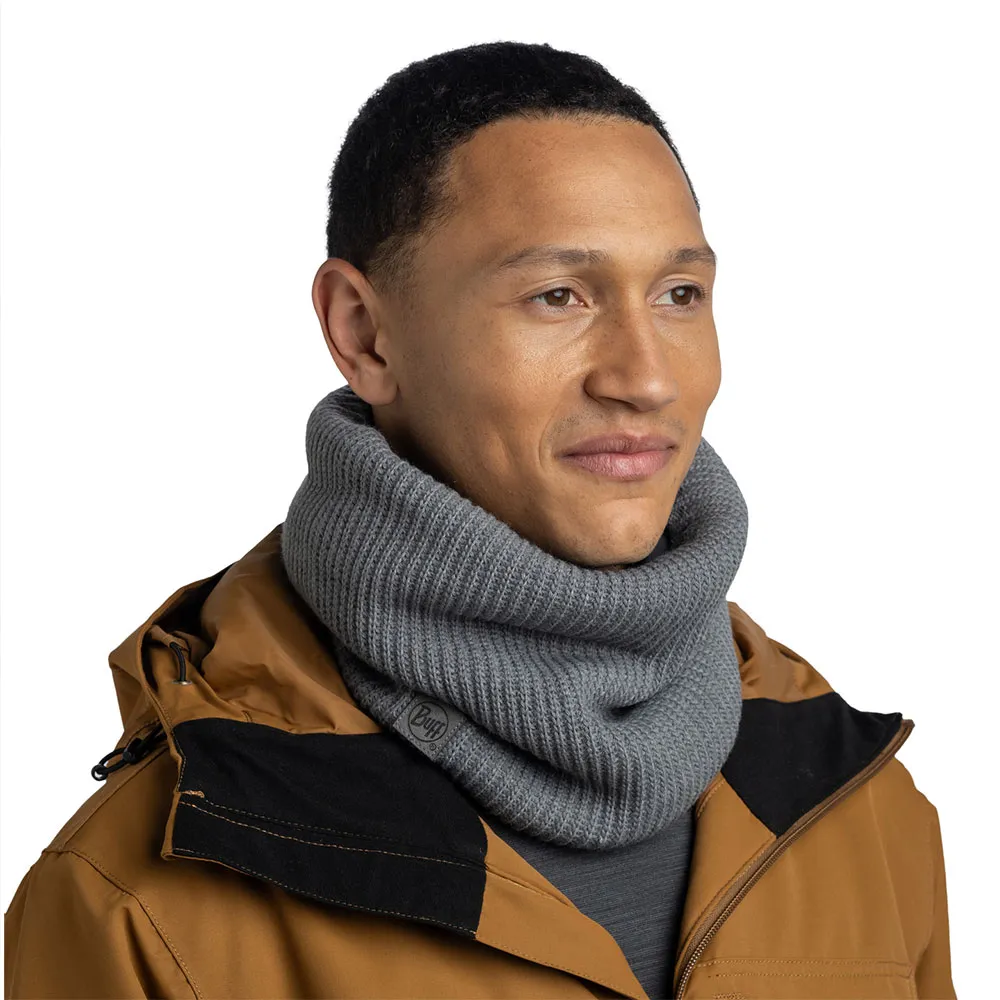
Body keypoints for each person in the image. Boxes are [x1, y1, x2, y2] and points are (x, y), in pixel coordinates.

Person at [4, 40, 955, 1000]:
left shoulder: (866, 817)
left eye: (679, 295)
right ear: (364, 334)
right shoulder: (139, 904)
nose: (646, 377)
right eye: (558, 296)